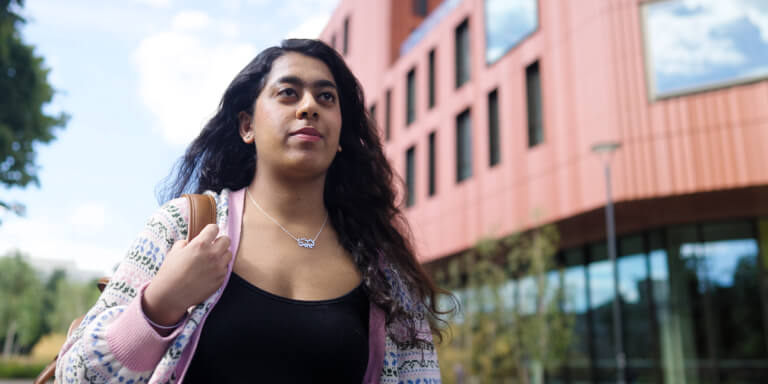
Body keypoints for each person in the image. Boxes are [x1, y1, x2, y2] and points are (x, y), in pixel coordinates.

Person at [55, 38, 453, 383]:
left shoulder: (383, 271)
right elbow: (76, 376)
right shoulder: (185, 226)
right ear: (247, 125)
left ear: (341, 134)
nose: (309, 107)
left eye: (326, 97)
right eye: (288, 93)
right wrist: (159, 304)